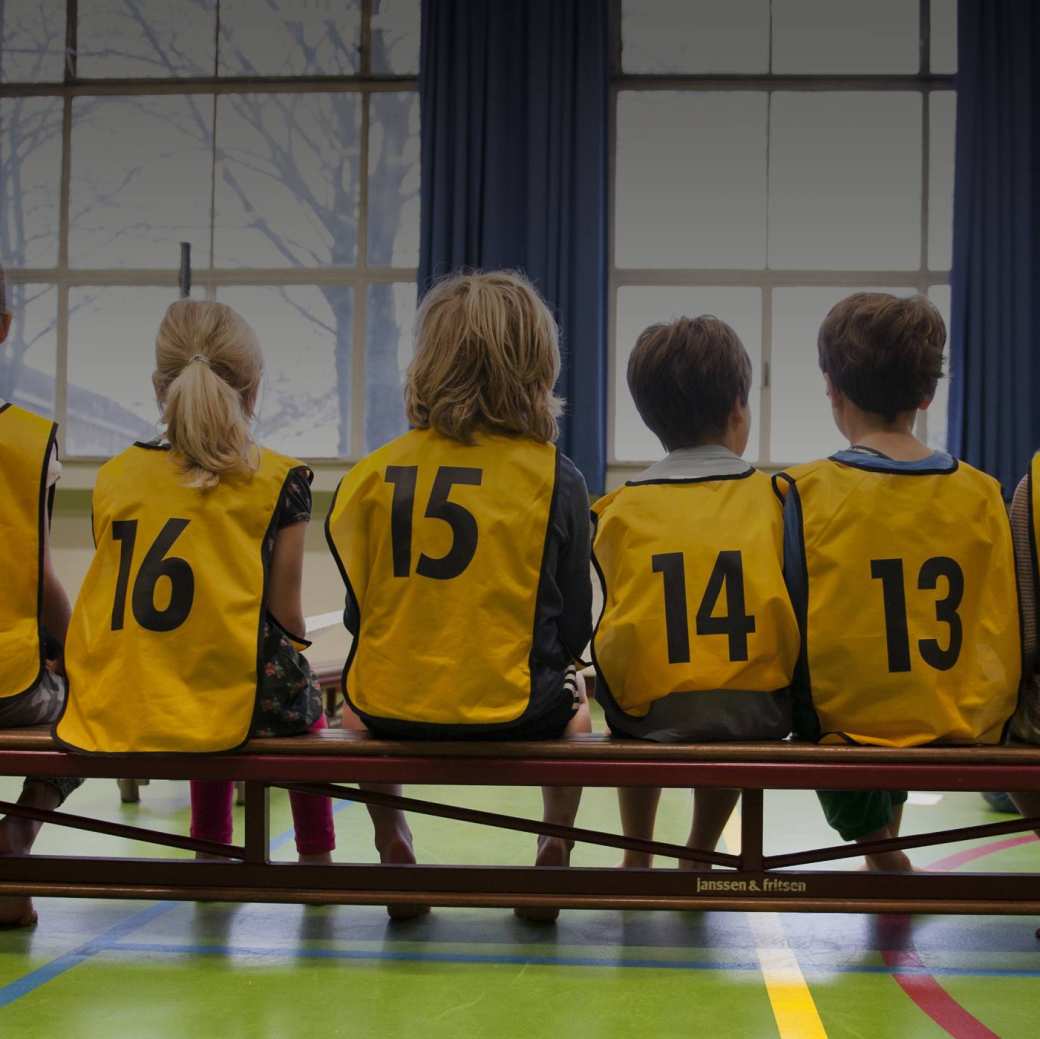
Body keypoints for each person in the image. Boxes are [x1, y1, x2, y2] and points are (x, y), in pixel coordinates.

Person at [326, 271, 593, 920]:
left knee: (354, 710)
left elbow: (362, 616)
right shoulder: (556, 476)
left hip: (389, 704)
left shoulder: (369, 475)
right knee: (578, 707)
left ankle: (394, 838)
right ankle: (553, 839)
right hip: (515, 704)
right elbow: (575, 626)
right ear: (535, 365)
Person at [55, 300, 334, 865]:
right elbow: (288, 617)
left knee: (208, 679)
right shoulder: (280, 478)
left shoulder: (114, 477)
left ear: (160, 388)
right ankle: (317, 859)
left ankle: (210, 848)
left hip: (129, 685)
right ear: (252, 390)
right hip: (220, 686)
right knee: (294, 702)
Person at [775, 292, 1020, 870]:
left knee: (830, 700)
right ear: (927, 393)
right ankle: (884, 848)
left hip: (851, 723)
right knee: (904, 684)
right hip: (961, 715)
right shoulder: (984, 491)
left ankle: (880, 848)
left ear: (832, 389)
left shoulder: (801, 491)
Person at [593, 316, 798, 868]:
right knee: (733, 692)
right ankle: (699, 851)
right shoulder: (776, 499)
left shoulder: (620, 508)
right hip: (757, 713)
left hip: (649, 717)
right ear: (738, 406)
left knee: (631, 691)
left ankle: (637, 851)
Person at [0, 263, 83, 928]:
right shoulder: (28, 441)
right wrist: (89, 656)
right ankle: (17, 841)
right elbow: (41, 575)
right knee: (94, 710)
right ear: (4, 328)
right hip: (10, 683)